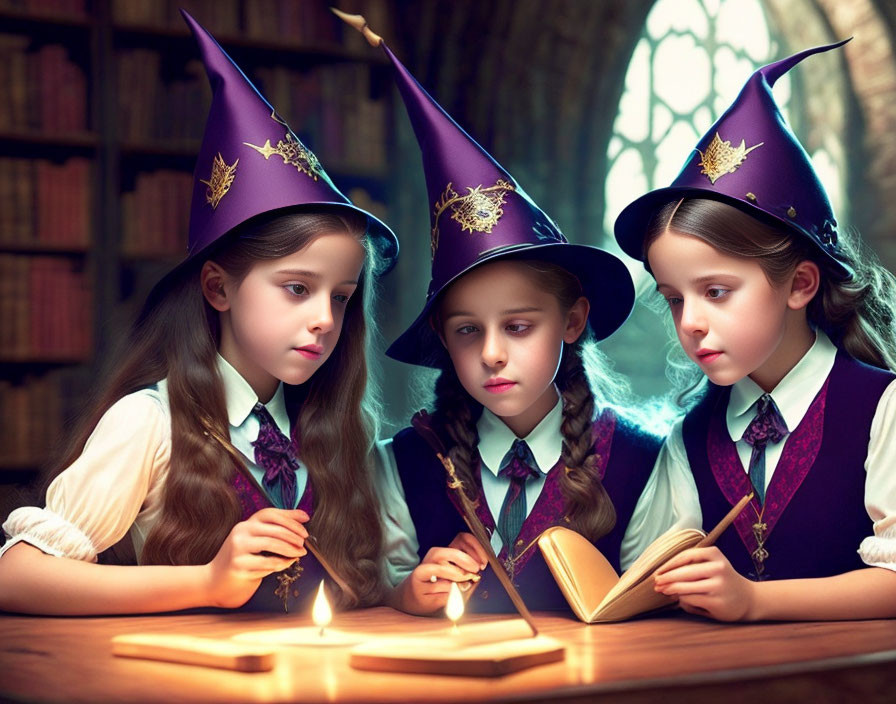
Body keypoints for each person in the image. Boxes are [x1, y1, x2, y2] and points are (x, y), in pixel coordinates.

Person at [0, 11, 399, 615]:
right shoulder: (149, 423)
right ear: (218, 288)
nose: (324, 319)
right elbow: (19, 579)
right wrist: (207, 582)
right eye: (297, 289)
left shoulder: (343, 430)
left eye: (341, 298)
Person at [338, 13, 665, 616]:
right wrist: (410, 590)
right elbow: (381, 587)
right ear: (441, 337)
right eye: (468, 331)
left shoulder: (645, 462)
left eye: (518, 327)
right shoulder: (402, 462)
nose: (491, 352)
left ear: (571, 323)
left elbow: (656, 611)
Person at [614, 40, 896, 621]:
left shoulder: (882, 408)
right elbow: (643, 580)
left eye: (716, 292)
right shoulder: (689, 439)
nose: (689, 322)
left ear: (800, 285)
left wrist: (752, 600)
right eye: (673, 298)